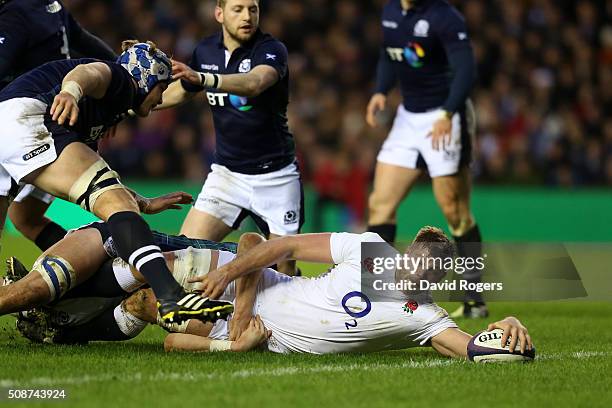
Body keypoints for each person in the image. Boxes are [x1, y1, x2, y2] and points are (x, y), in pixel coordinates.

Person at [3, 225, 532, 357]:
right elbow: (270, 243)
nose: (418, 270)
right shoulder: (368, 248)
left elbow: (471, 349)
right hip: (252, 285)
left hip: (252, 329)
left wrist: (507, 335)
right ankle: (41, 294)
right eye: (418, 257)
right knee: (154, 263)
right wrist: (235, 283)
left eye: (432, 269)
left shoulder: (424, 317)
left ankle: (53, 324)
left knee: (147, 306)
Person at [0, 40, 233, 324]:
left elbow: (90, 176)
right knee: (115, 203)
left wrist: (140, 201)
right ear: (146, 82)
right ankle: (170, 293)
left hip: (9, 125)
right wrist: (70, 92)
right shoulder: (120, 80)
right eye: (160, 89)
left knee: (27, 217)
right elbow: (91, 72)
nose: (161, 99)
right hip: (27, 118)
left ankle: (80, 277)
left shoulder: (107, 110)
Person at [158, 0, 302, 276]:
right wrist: (132, 104)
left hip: (276, 178)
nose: (247, 16)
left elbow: (254, 83)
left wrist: (204, 78)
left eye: (253, 9)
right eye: (238, 9)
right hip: (227, 176)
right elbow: (181, 91)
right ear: (219, 13)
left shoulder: (271, 50)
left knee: (284, 276)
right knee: (185, 258)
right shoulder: (205, 50)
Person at [365, 0, 486, 318]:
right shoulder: (391, 12)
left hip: (444, 115)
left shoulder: (445, 16)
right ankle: (375, 293)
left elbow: (465, 69)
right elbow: (388, 54)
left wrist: (448, 113)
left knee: (455, 211)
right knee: (380, 204)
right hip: (408, 118)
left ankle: (474, 299)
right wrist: (380, 90)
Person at [0, 0, 117, 251]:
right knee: (25, 217)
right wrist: (119, 82)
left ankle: (129, 256)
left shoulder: (15, 13)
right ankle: (89, 270)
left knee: (109, 202)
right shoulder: (49, 5)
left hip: (29, 124)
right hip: (62, 121)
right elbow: (88, 42)